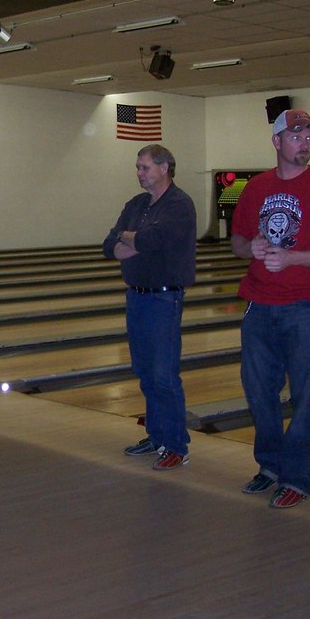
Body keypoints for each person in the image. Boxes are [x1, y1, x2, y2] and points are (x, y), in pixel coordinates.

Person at [231, 109, 310, 509]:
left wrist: (293, 258)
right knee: (258, 392)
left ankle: (297, 478)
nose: (305, 142)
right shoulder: (255, 188)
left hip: (306, 307)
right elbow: (236, 240)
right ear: (277, 142)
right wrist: (248, 246)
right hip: (258, 303)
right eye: (296, 136)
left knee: (306, 396)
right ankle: (269, 466)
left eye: (309, 137)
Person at [103, 145, 197, 471]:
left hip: (163, 298)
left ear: (165, 167)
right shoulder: (137, 203)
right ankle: (156, 437)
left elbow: (151, 242)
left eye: (144, 167)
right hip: (137, 296)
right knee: (145, 373)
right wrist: (133, 240)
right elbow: (108, 244)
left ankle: (176, 445)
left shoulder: (179, 205)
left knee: (163, 375)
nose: (139, 173)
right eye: (138, 167)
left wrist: (130, 240)